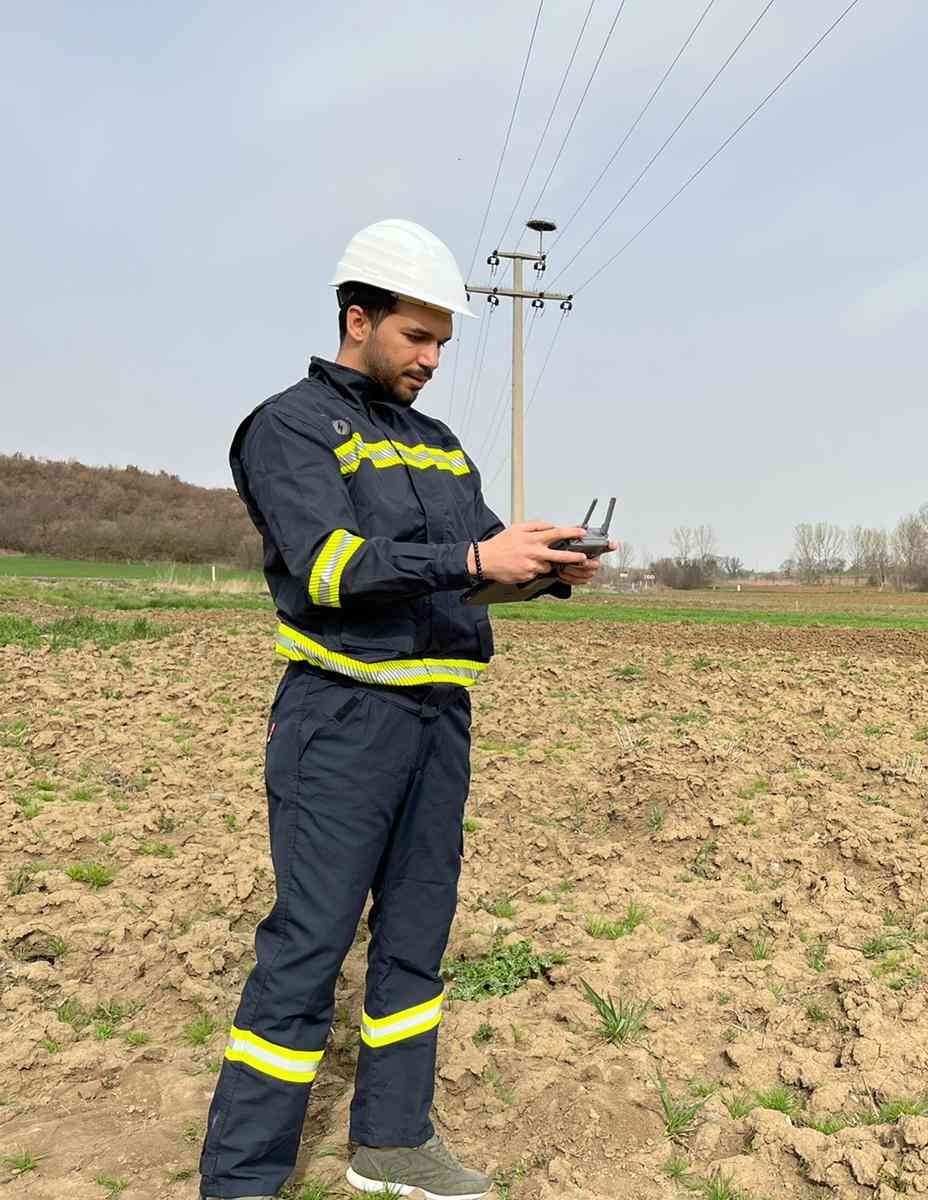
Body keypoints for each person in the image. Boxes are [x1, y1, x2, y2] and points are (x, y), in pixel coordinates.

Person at [198, 218, 610, 1200]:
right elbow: (333, 570)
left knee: (418, 939)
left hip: (437, 721)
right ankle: (242, 1180)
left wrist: (542, 571)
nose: (431, 360)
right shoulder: (288, 428)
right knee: (306, 954)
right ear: (358, 318)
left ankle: (391, 1141)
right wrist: (474, 558)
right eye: (416, 339)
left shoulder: (437, 446)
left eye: (442, 343)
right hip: (341, 724)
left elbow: (468, 581)